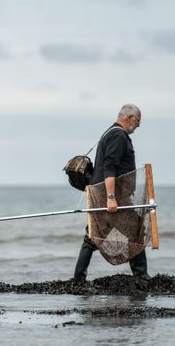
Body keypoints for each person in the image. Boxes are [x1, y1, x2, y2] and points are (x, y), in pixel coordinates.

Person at [73, 103, 152, 281]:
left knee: (94, 233)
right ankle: (141, 275)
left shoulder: (111, 132)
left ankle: (78, 277)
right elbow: (109, 167)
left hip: (110, 195)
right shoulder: (118, 135)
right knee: (135, 229)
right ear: (129, 118)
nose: (139, 125)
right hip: (112, 196)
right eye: (138, 120)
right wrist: (111, 198)